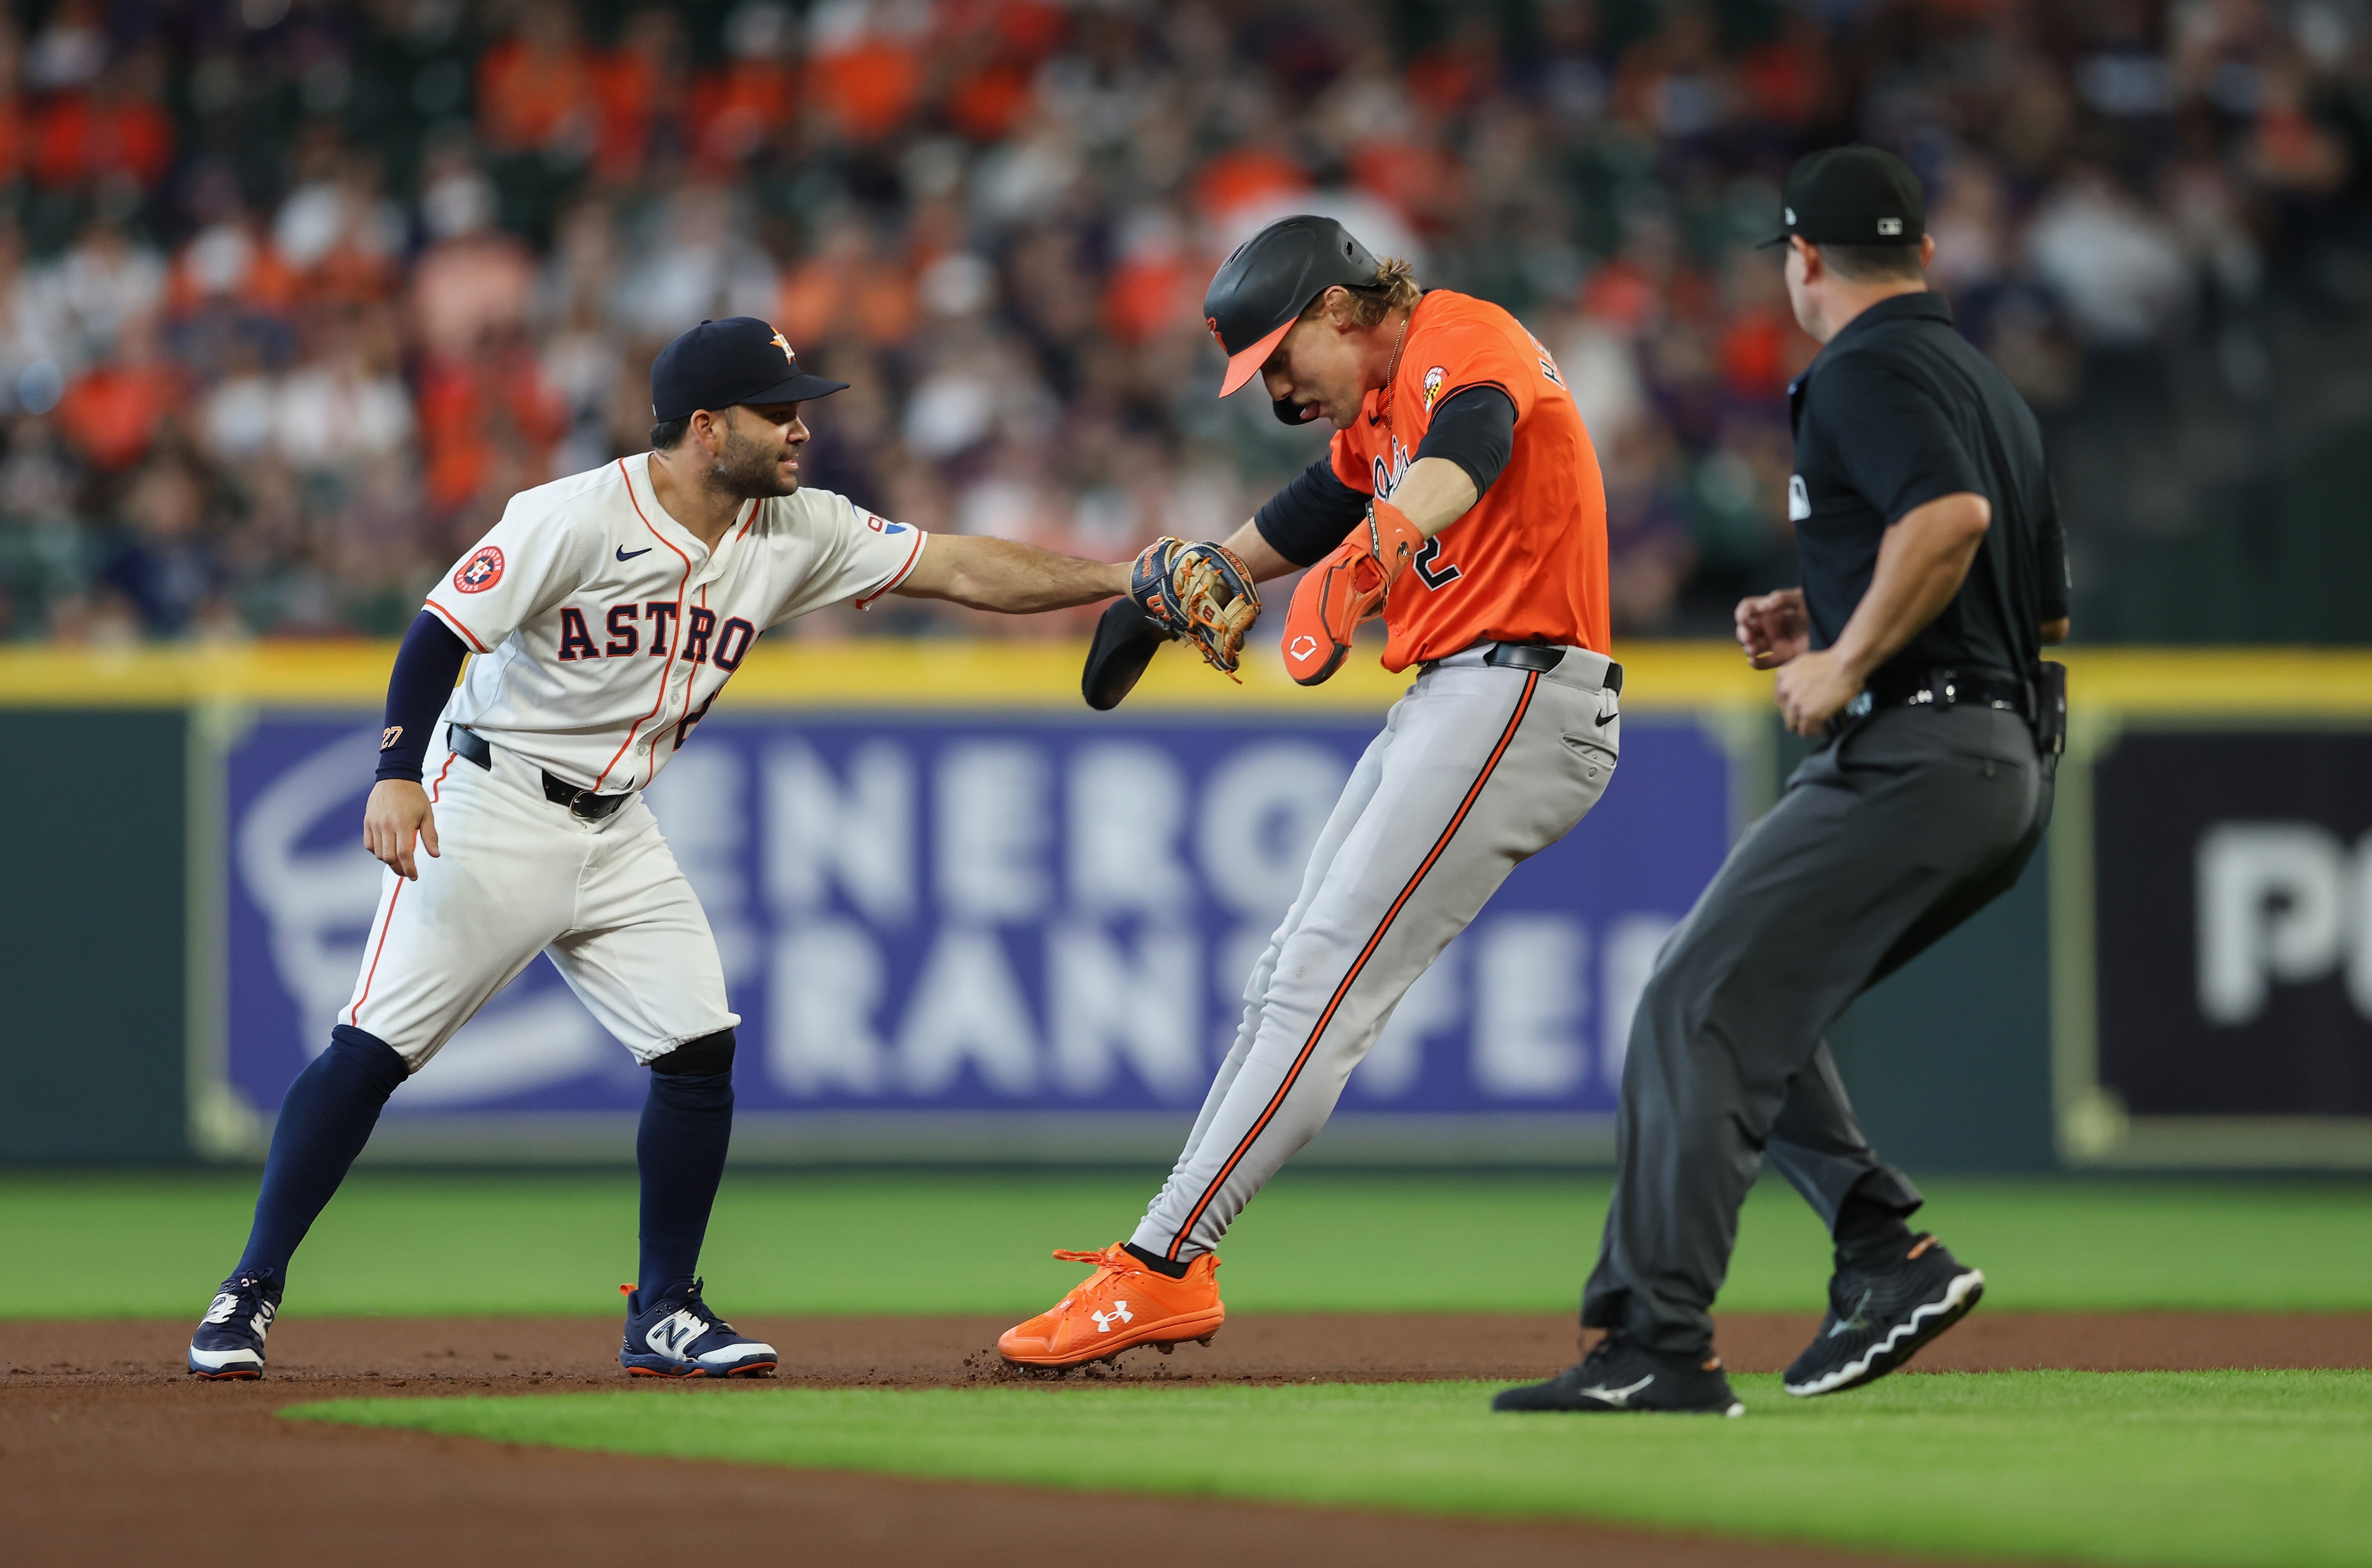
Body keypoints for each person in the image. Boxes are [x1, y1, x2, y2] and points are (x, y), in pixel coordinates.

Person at [188, 318, 1137, 1380]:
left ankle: (666, 1309)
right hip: (496, 802)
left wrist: (1120, 575)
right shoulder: (576, 515)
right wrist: (397, 772)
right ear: (705, 426)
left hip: (619, 824)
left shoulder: (797, 527)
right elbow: (440, 630)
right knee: (373, 1051)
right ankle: (248, 1289)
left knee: (697, 1050)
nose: (798, 430)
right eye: (776, 413)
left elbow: (960, 568)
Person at [1497, 147, 2068, 1417]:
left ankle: (1658, 1340)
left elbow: (1951, 522)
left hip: (1919, 750)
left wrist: (1847, 656)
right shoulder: (1982, 378)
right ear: (1919, 252)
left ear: (1805, 260)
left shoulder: (1865, 364)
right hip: (2001, 756)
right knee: (1749, 1001)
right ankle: (1882, 1249)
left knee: (1691, 1001)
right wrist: (1827, 620)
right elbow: (1997, 578)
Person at [997, 216, 1621, 1370]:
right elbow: (1307, 511)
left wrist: (1371, 554)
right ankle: (1167, 1259)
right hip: (1455, 695)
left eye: (1281, 361)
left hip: (1522, 691)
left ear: (1339, 307)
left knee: (1320, 984)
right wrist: (1194, 576)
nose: (1278, 391)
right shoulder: (1378, 407)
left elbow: (1472, 446)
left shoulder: (1457, 338)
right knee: (1285, 974)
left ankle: (1162, 1264)